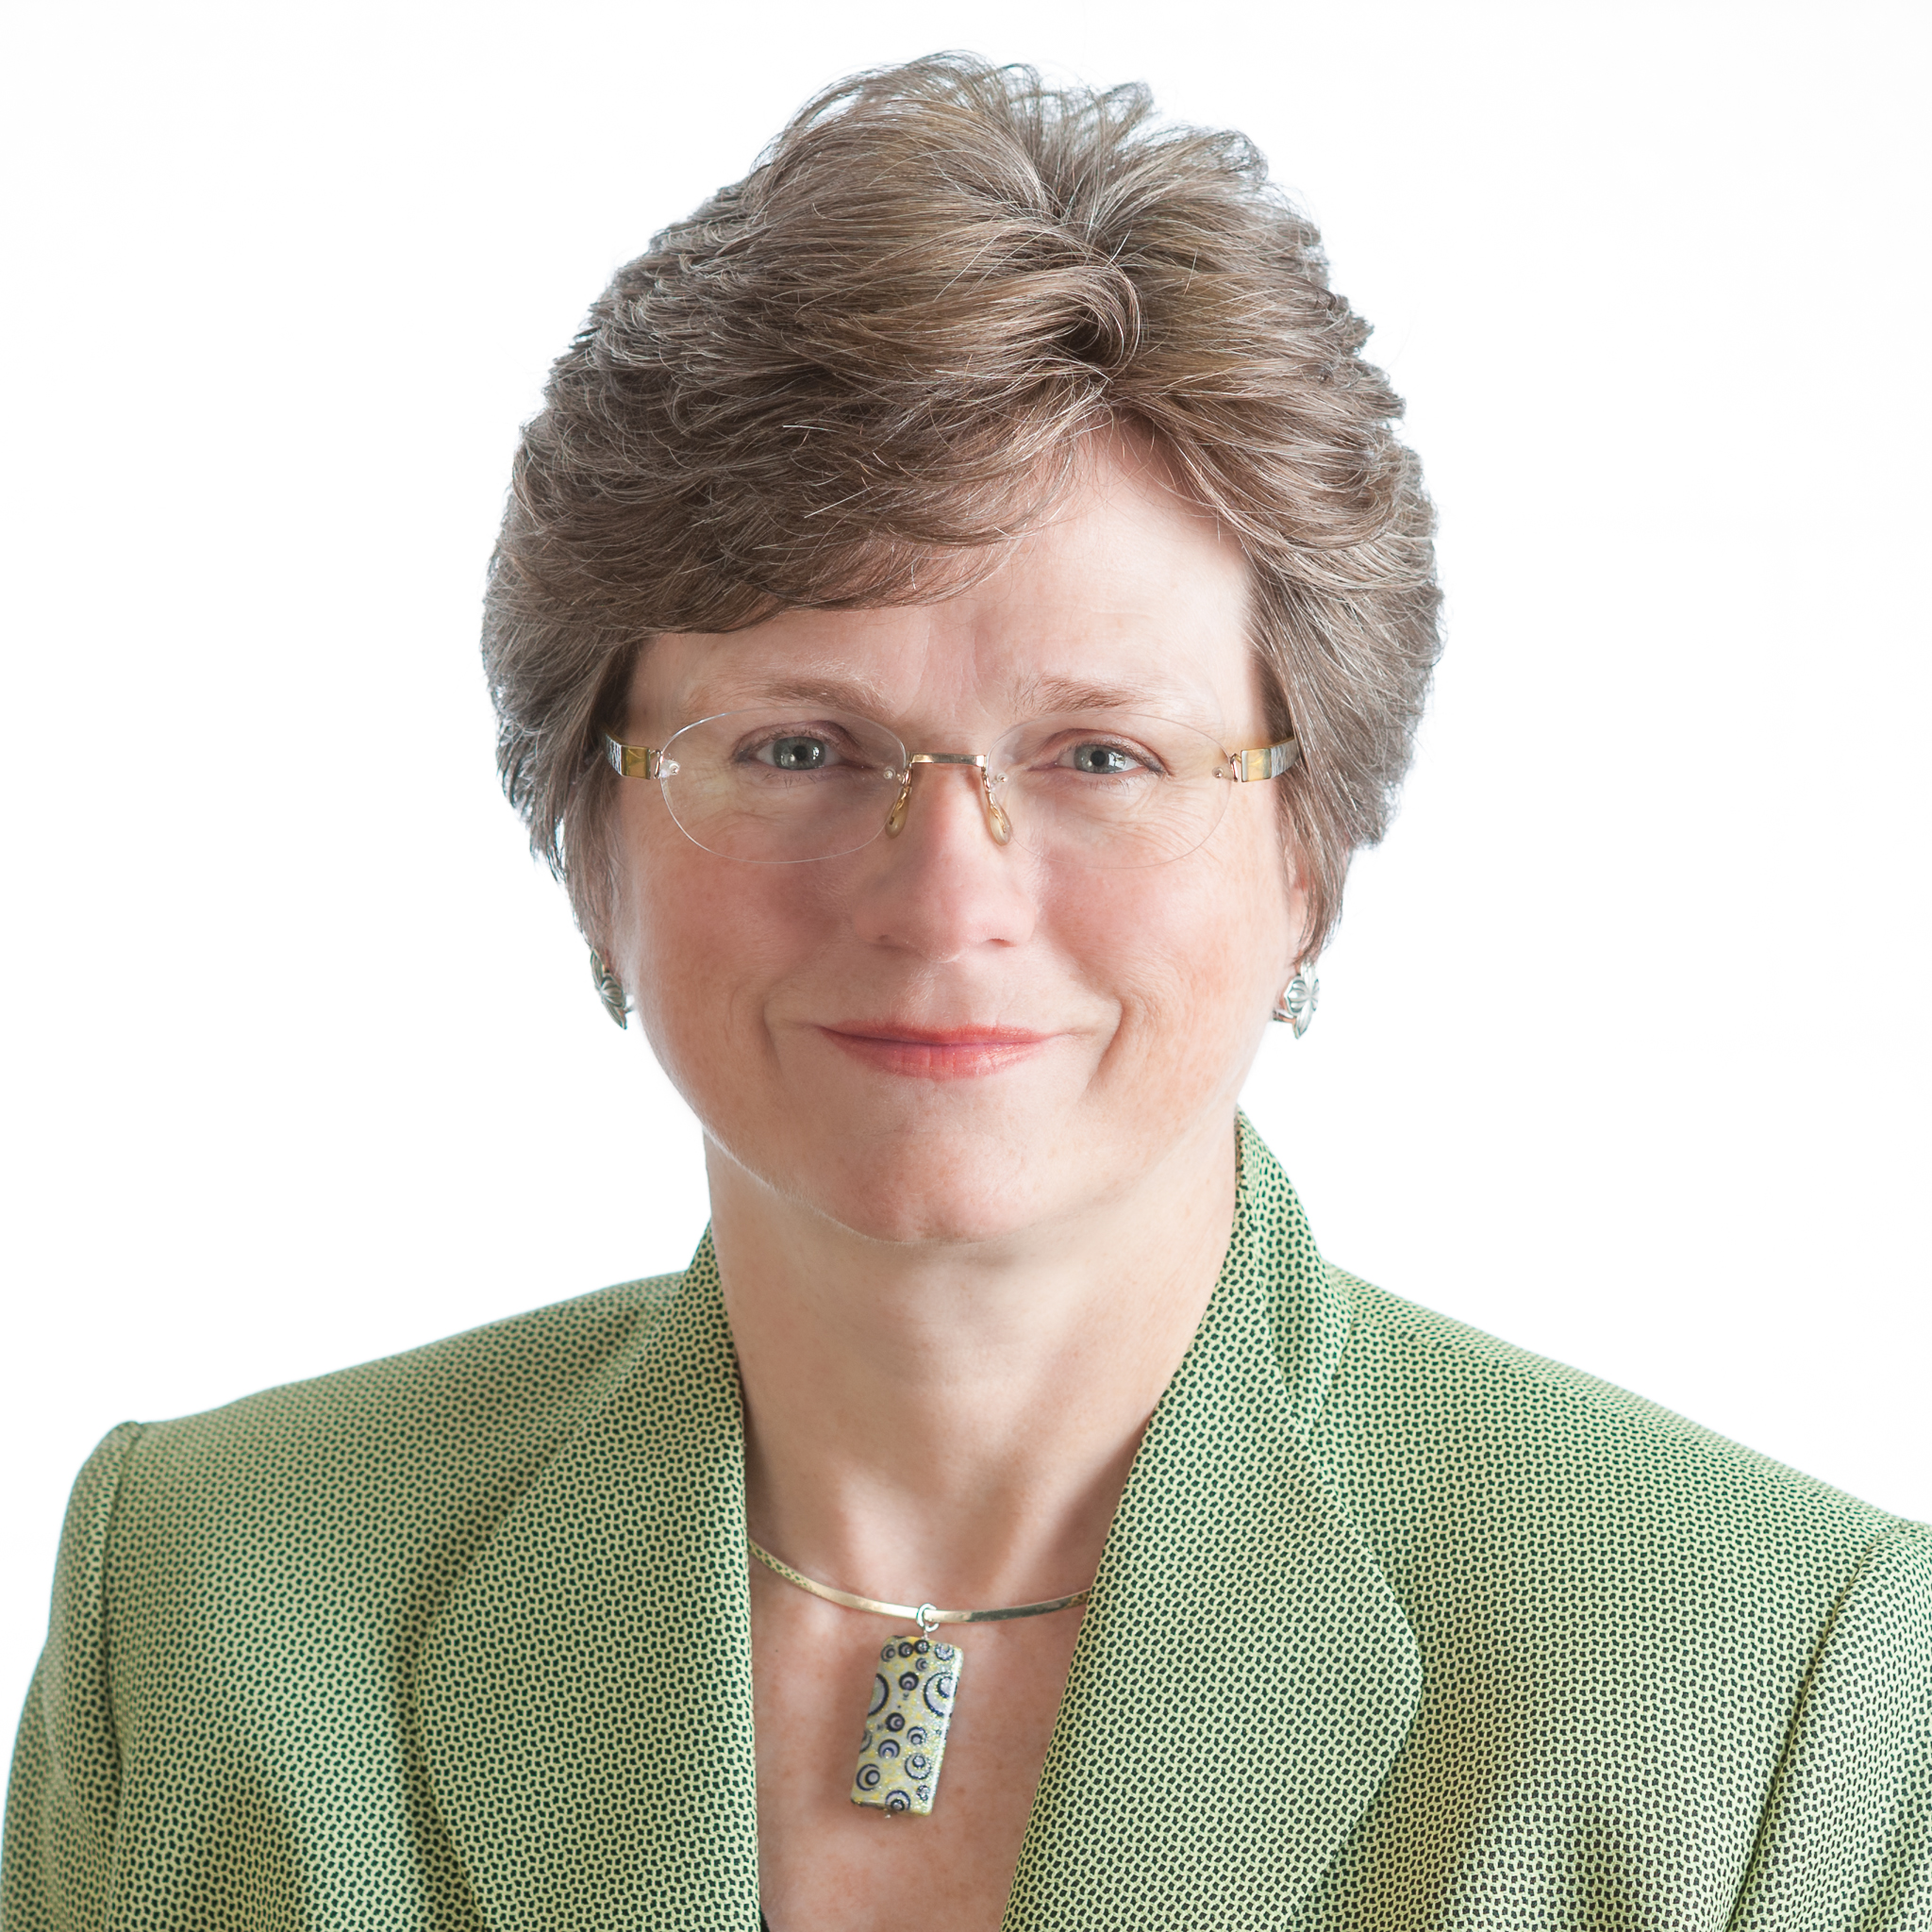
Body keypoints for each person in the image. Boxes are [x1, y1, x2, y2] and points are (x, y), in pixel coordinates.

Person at [5, 52, 1927, 1932]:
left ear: (1309, 853)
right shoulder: (202, 1604)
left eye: (1100, 755)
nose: (946, 899)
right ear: (591, 837)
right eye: (796, 748)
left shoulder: (1776, 1693)